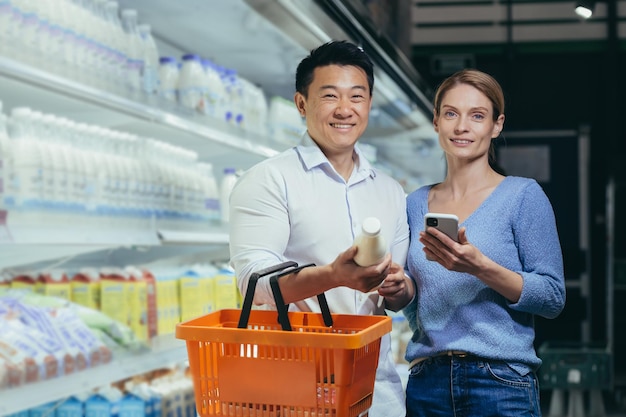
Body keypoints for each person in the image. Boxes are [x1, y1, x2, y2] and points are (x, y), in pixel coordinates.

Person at [228, 40, 414, 416]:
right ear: (302, 104)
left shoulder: (391, 192)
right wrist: (332, 276)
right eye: (330, 96)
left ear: (368, 104)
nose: (345, 109)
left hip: (375, 389)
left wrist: (399, 287)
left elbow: (398, 294)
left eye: (356, 96)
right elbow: (253, 283)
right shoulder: (269, 180)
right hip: (294, 382)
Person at [402, 69, 566, 416]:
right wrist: (395, 290)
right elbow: (416, 305)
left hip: (500, 382)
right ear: (436, 122)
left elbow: (552, 297)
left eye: (477, 116)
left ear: (496, 125)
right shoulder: (414, 203)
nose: (462, 127)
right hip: (427, 382)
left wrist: (480, 267)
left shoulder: (522, 196)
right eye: (451, 113)